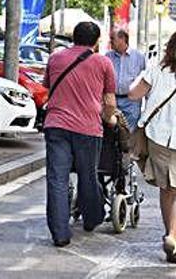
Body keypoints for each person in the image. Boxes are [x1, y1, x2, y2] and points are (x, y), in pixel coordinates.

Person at [43, 21, 117, 248]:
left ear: (74, 38)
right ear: (96, 42)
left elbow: (47, 87)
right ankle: (92, 218)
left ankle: (60, 234)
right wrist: (110, 120)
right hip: (88, 129)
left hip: (56, 126)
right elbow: (110, 102)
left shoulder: (55, 58)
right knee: (88, 176)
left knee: (57, 179)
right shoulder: (103, 63)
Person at [129, 32, 176, 263]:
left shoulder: (158, 70)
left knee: (167, 189)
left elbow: (133, 93)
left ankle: (171, 234)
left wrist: (142, 75)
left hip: (160, 138)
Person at [106, 28, 146, 130]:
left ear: (122, 39)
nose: (110, 42)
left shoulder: (139, 57)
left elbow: (145, 80)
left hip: (131, 104)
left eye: (112, 39)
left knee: (129, 136)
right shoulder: (108, 57)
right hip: (112, 101)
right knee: (111, 133)